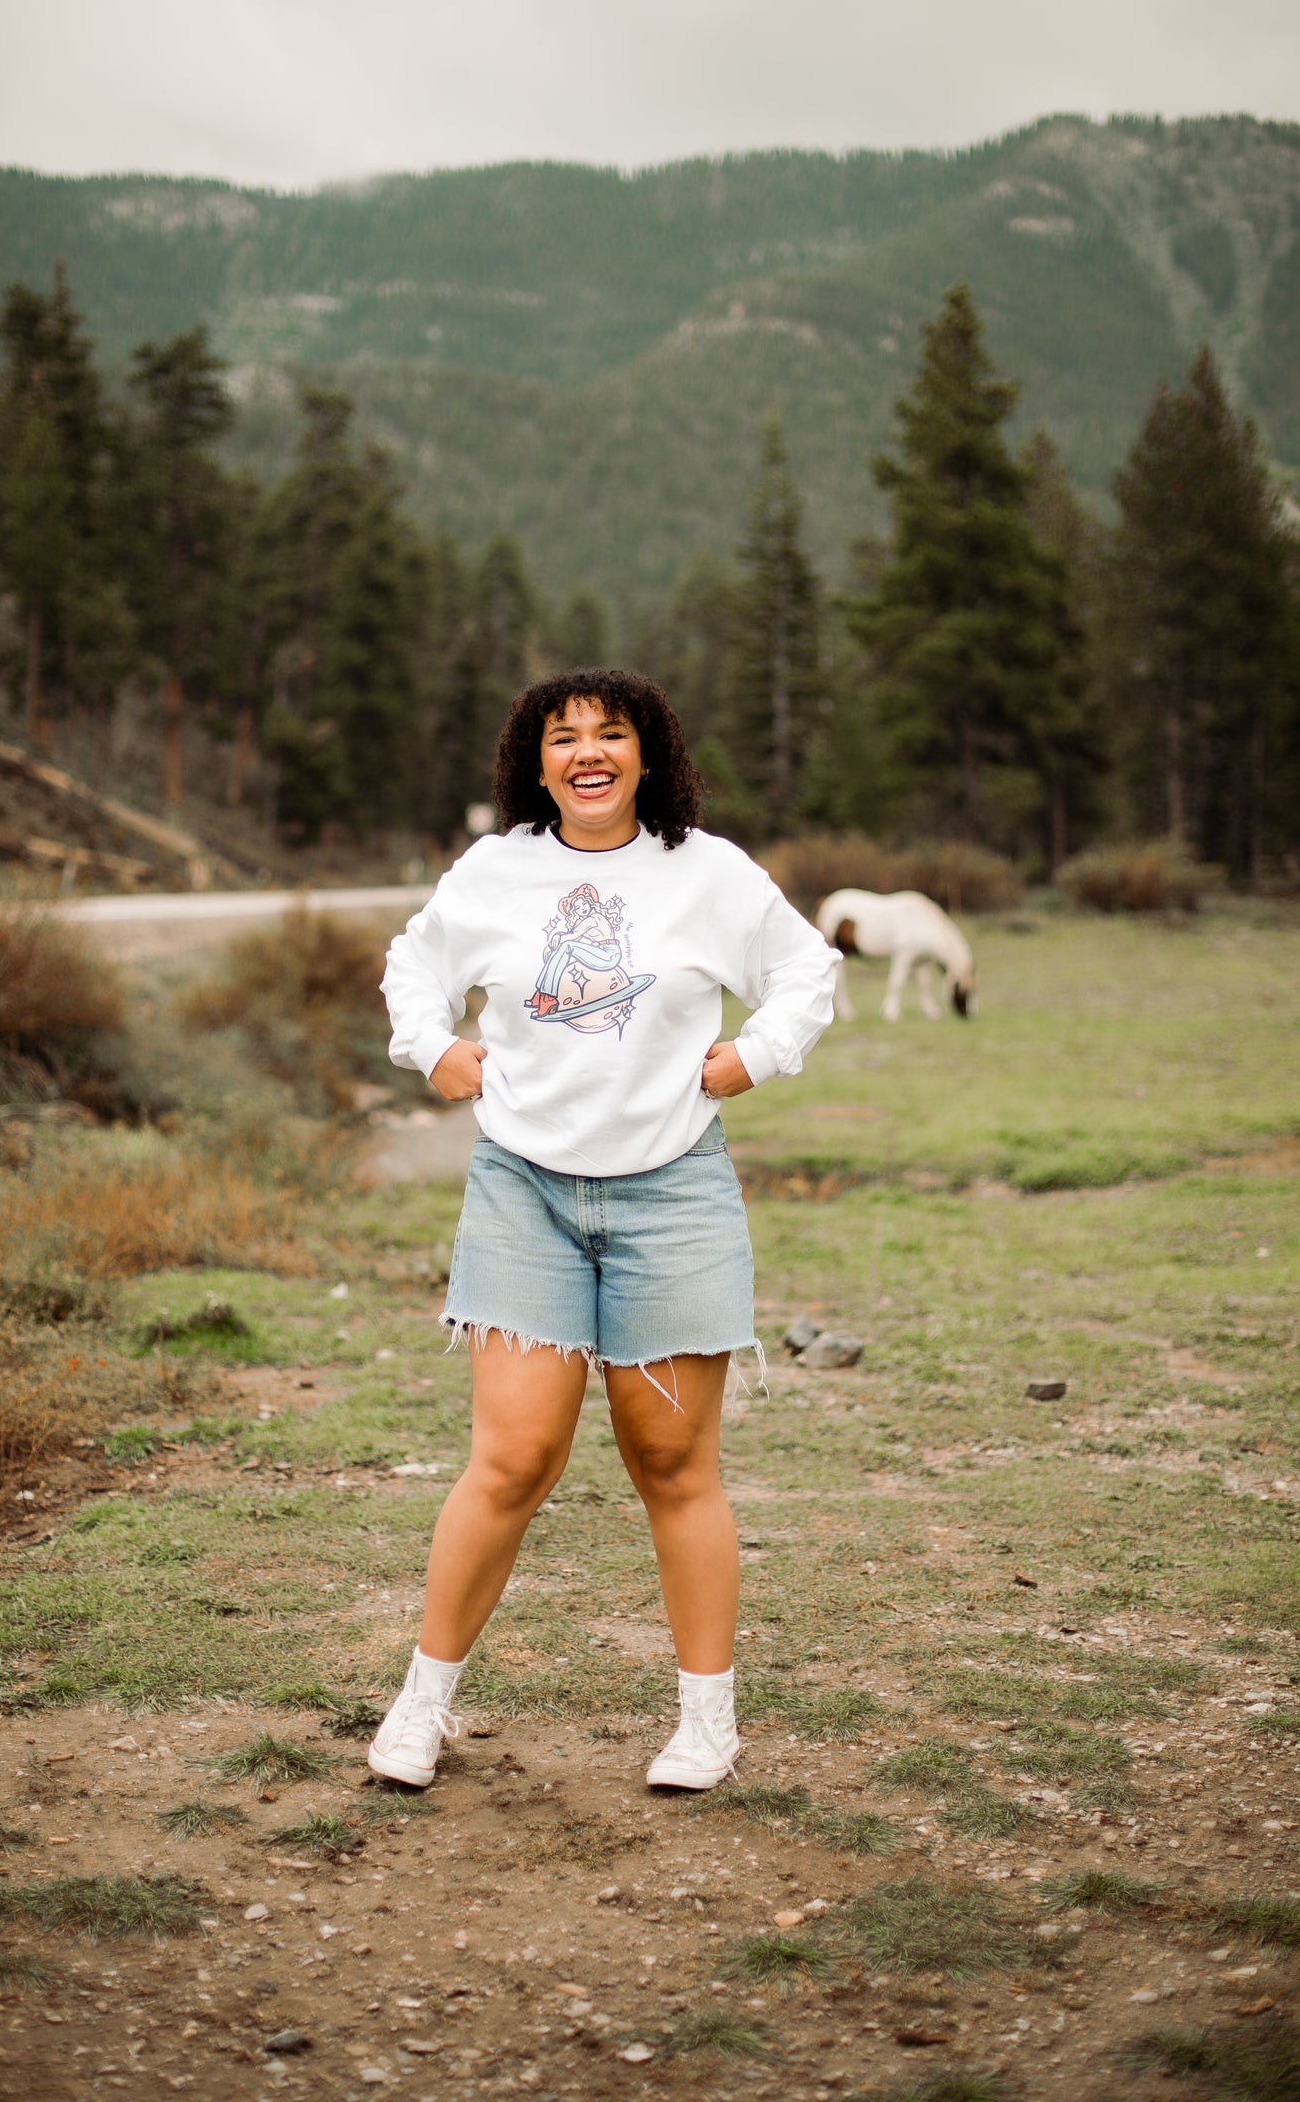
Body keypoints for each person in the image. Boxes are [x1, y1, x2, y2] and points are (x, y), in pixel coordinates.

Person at [373, 669, 839, 1790]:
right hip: (523, 1190)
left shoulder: (706, 870)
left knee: (671, 1458)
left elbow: (804, 968)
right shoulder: (494, 871)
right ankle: (421, 1705)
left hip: (669, 1192)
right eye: (563, 737)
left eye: (610, 734)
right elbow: (412, 967)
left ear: (646, 754)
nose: (587, 752)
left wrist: (752, 1054)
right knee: (513, 1454)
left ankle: (705, 1723)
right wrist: (431, 1047)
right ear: (534, 765)